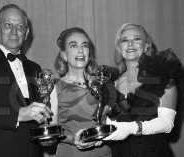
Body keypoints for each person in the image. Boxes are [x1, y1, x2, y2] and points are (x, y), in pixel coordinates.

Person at [0, 4, 51, 157]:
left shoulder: (36, 68)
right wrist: (18, 114)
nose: (14, 32)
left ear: (26, 33)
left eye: (20, 27)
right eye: (8, 25)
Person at [103, 23, 184, 157]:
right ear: (119, 48)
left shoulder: (162, 78)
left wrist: (132, 128)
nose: (130, 44)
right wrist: (95, 139)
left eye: (136, 39)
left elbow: (167, 124)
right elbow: (110, 126)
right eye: (124, 40)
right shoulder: (112, 83)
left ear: (146, 46)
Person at [49, 27, 112, 157]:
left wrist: (103, 135)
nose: (80, 50)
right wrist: (74, 139)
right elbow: (52, 131)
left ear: (89, 53)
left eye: (85, 45)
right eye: (73, 46)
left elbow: (111, 121)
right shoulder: (54, 87)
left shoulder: (104, 84)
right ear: (64, 55)